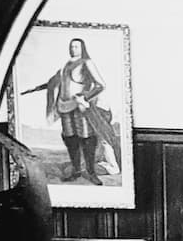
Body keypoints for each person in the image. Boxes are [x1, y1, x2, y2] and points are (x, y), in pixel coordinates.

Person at [20, 37, 118, 184]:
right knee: (71, 139)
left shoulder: (87, 63)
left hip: (79, 106)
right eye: (72, 47)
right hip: (64, 106)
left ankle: (91, 173)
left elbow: (101, 85)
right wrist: (35, 89)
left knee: (86, 139)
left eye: (77, 47)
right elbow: (54, 82)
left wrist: (85, 97)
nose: (73, 49)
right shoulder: (66, 65)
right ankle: (76, 171)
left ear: (82, 48)